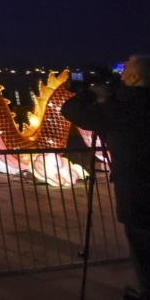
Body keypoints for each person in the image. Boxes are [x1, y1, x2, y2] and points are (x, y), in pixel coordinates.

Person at [62, 55, 150, 300]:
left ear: (134, 77)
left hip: (138, 198)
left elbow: (70, 110)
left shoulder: (119, 111)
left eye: (125, 71)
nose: (120, 76)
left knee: (144, 252)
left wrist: (90, 93)